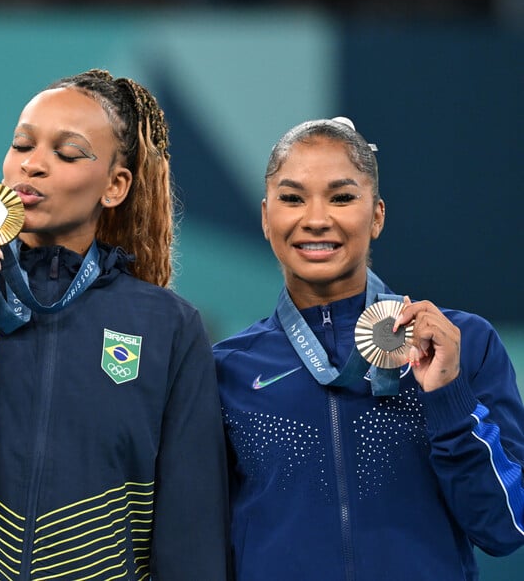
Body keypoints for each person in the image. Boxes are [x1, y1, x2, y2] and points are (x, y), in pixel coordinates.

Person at [0, 69, 230, 580]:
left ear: (115, 186)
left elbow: (190, 537)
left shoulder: (168, 326)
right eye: (22, 145)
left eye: (67, 153)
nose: (32, 165)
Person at [214, 117, 524, 580]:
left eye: (342, 197)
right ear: (265, 217)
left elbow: (506, 528)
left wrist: (449, 398)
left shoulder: (461, 345)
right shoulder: (227, 370)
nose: (316, 219)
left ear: (376, 215)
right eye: (292, 198)